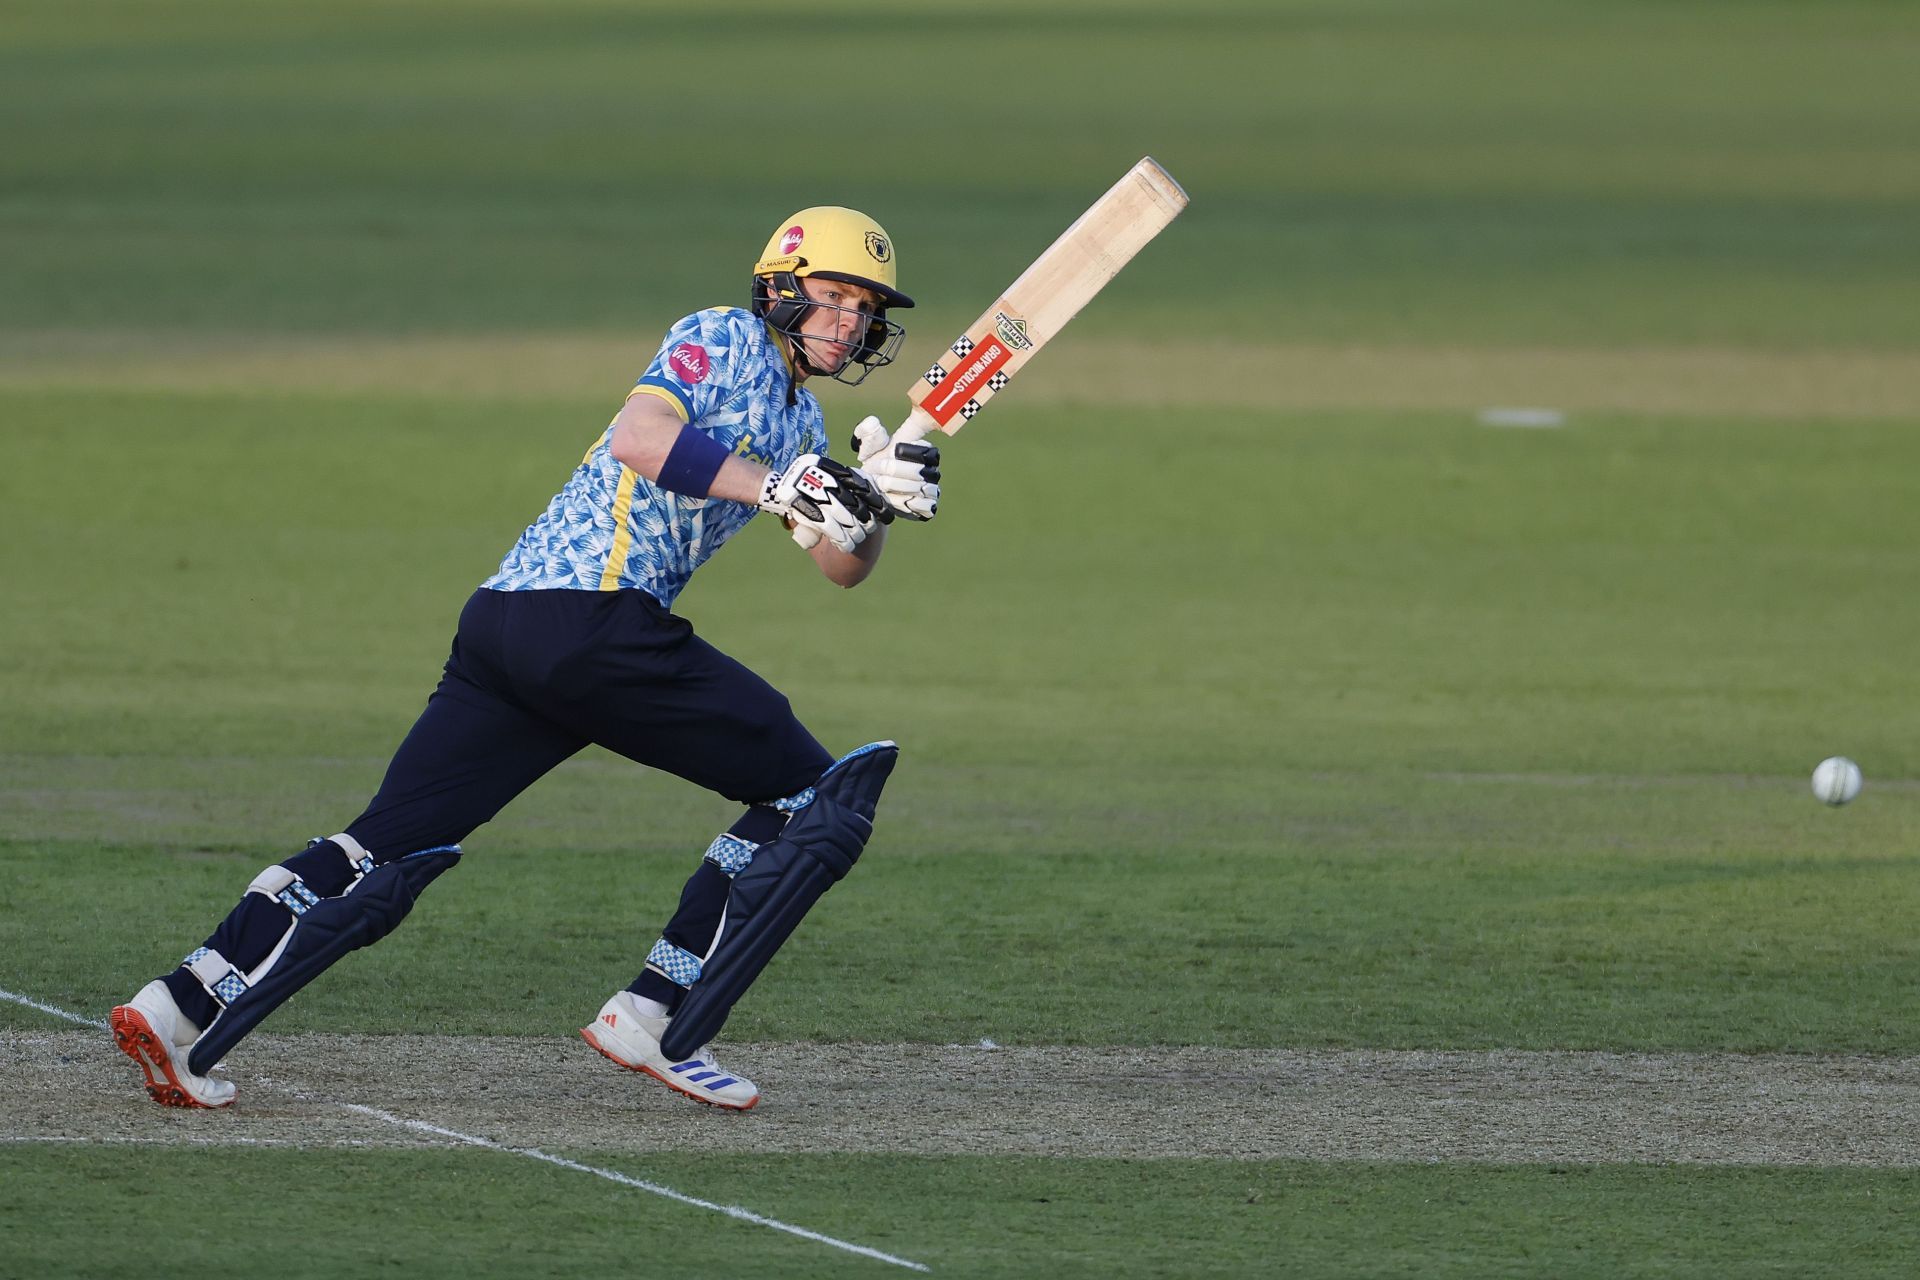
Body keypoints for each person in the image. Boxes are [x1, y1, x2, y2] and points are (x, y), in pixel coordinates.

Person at [109, 207, 942, 1113]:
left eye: (865, 309)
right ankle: (654, 1015)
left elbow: (838, 567)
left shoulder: (798, 416)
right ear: (781, 286)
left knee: (385, 850)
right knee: (815, 801)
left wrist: (876, 503)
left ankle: (177, 1008)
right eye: (833, 297)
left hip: (512, 631)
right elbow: (640, 437)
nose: (850, 322)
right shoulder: (722, 337)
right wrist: (782, 485)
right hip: (588, 621)